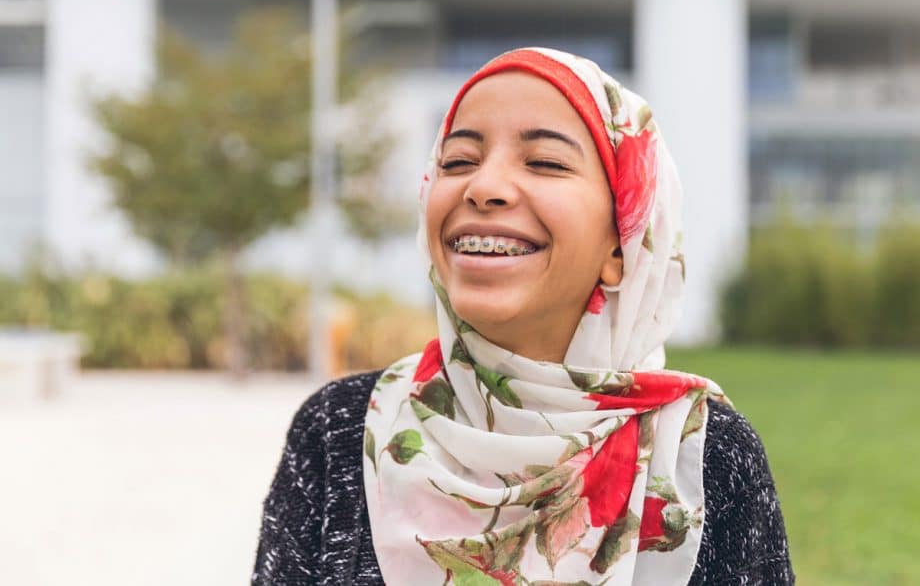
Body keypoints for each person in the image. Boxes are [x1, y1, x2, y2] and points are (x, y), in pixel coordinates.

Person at [252, 48, 794, 585]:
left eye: (545, 163)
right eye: (458, 161)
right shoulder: (339, 433)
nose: (483, 188)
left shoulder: (701, 456)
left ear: (623, 244)